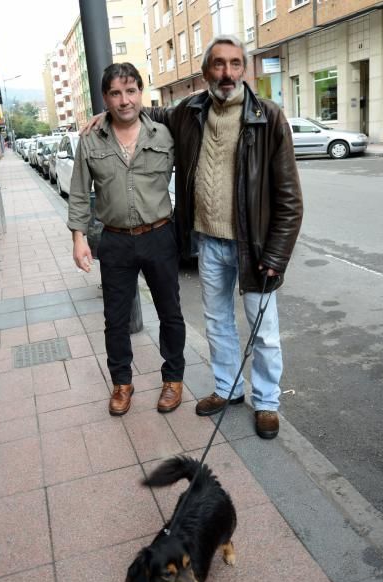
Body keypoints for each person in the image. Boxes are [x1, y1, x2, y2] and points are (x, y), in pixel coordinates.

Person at [85, 37, 303, 439]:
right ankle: (228, 389)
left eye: (236, 64)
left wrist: (277, 253)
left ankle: (268, 402)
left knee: (262, 329)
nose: (227, 73)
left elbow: (290, 197)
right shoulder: (190, 111)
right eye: (218, 64)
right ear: (205, 73)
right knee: (218, 322)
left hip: (254, 246)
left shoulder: (268, 117)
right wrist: (106, 115)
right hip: (208, 240)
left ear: (245, 69)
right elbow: (145, 110)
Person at [68, 62, 185, 417]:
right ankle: (122, 383)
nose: (124, 100)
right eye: (115, 93)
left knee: (171, 313)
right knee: (115, 319)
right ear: (105, 98)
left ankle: (173, 380)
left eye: (130, 91)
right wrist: (78, 238)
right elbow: (77, 192)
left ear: (141, 93)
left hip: (159, 235)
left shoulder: (165, 134)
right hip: (115, 241)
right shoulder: (91, 139)